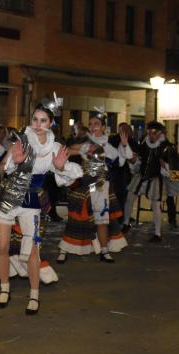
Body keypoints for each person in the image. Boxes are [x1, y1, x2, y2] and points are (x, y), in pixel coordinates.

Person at [0, 105, 82, 314]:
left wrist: (60, 167)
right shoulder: (20, 142)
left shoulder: (55, 147)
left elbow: (69, 175)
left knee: (33, 250)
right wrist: (13, 162)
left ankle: (34, 295)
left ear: (50, 123)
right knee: (3, 246)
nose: (38, 124)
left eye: (43, 120)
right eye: (35, 119)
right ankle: (4, 288)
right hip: (10, 197)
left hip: (32, 200)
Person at [57, 111, 131, 264]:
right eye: (90, 124)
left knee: (102, 219)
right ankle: (64, 250)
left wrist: (124, 145)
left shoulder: (109, 146)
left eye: (96, 123)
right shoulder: (84, 142)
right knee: (75, 219)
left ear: (104, 127)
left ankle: (104, 251)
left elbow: (122, 161)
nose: (93, 127)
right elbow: (68, 151)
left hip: (101, 186)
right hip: (83, 185)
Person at [122, 121, 179, 242]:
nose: (151, 135)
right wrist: (131, 154)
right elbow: (138, 156)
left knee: (156, 205)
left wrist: (166, 166)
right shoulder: (145, 143)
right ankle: (126, 223)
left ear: (160, 133)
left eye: (154, 133)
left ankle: (157, 233)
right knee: (129, 197)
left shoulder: (167, 147)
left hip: (157, 178)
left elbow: (176, 165)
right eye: (149, 132)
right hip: (142, 175)